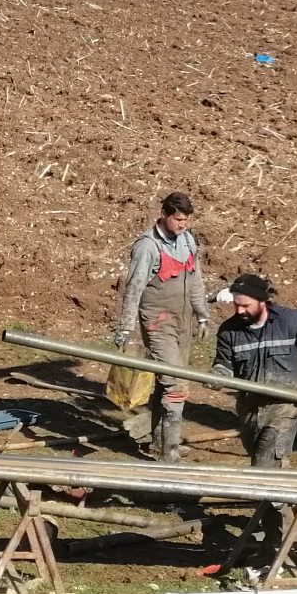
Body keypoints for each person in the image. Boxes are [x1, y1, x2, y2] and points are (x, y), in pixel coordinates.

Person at [114, 191, 206, 461]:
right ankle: (170, 452)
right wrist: (125, 327)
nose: (182, 225)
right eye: (178, 219)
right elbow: (134, 288)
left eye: (187, 220)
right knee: (175, 384)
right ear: (165, 215)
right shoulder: (147, 247)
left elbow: (197, 279)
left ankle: (160, 441)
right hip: (159, 322)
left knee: (170, 381)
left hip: (184, 320)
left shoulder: (188, 241)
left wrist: (202, 313)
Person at [211, 272, 297, 470]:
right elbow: (224, 363)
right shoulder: (229, 330)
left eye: (246, 305)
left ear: (262, 301)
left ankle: (273, 500)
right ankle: (276, 499)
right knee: (261, 460)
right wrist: (218, 376)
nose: (240, 310)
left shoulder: (291, 323)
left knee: (268, 460)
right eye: (236, 305)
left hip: (284, 406)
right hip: (249, 409)